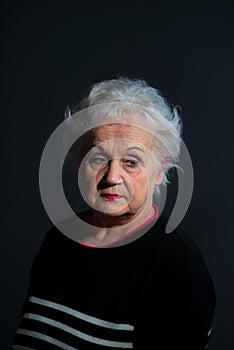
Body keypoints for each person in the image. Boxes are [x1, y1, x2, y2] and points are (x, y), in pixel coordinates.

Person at [12, 77, 216, 349]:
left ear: (161, 170)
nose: (111, 176)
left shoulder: (176, 266)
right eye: (98, 158)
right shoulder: (59, 239)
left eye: (131, 162)